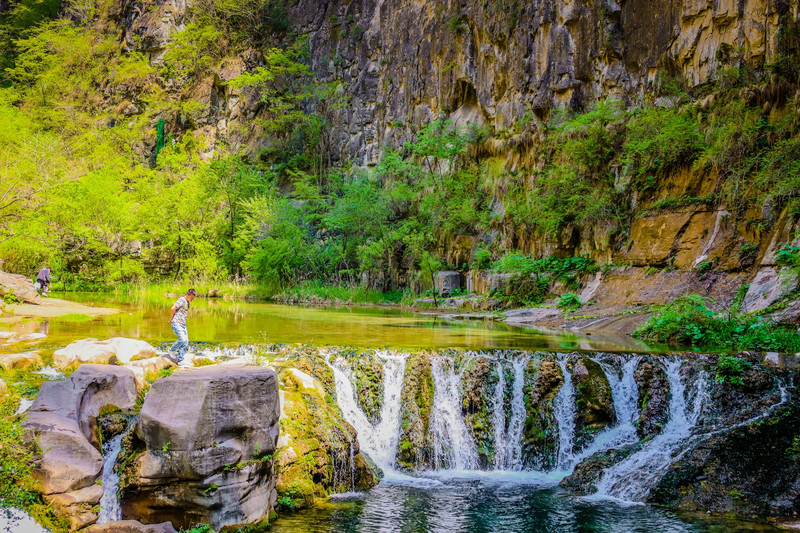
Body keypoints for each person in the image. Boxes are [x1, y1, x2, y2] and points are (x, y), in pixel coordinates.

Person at [167, 288, 197, 365]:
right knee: (182, 339)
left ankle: (180, 360)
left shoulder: (187, 302)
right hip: (177, 323)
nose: (192, 300)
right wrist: (171, 318)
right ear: (188, 294)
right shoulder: (182, 299)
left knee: (186, 342)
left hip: (183, 324)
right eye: (192, 298)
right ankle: (171, 349)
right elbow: (173, 308)